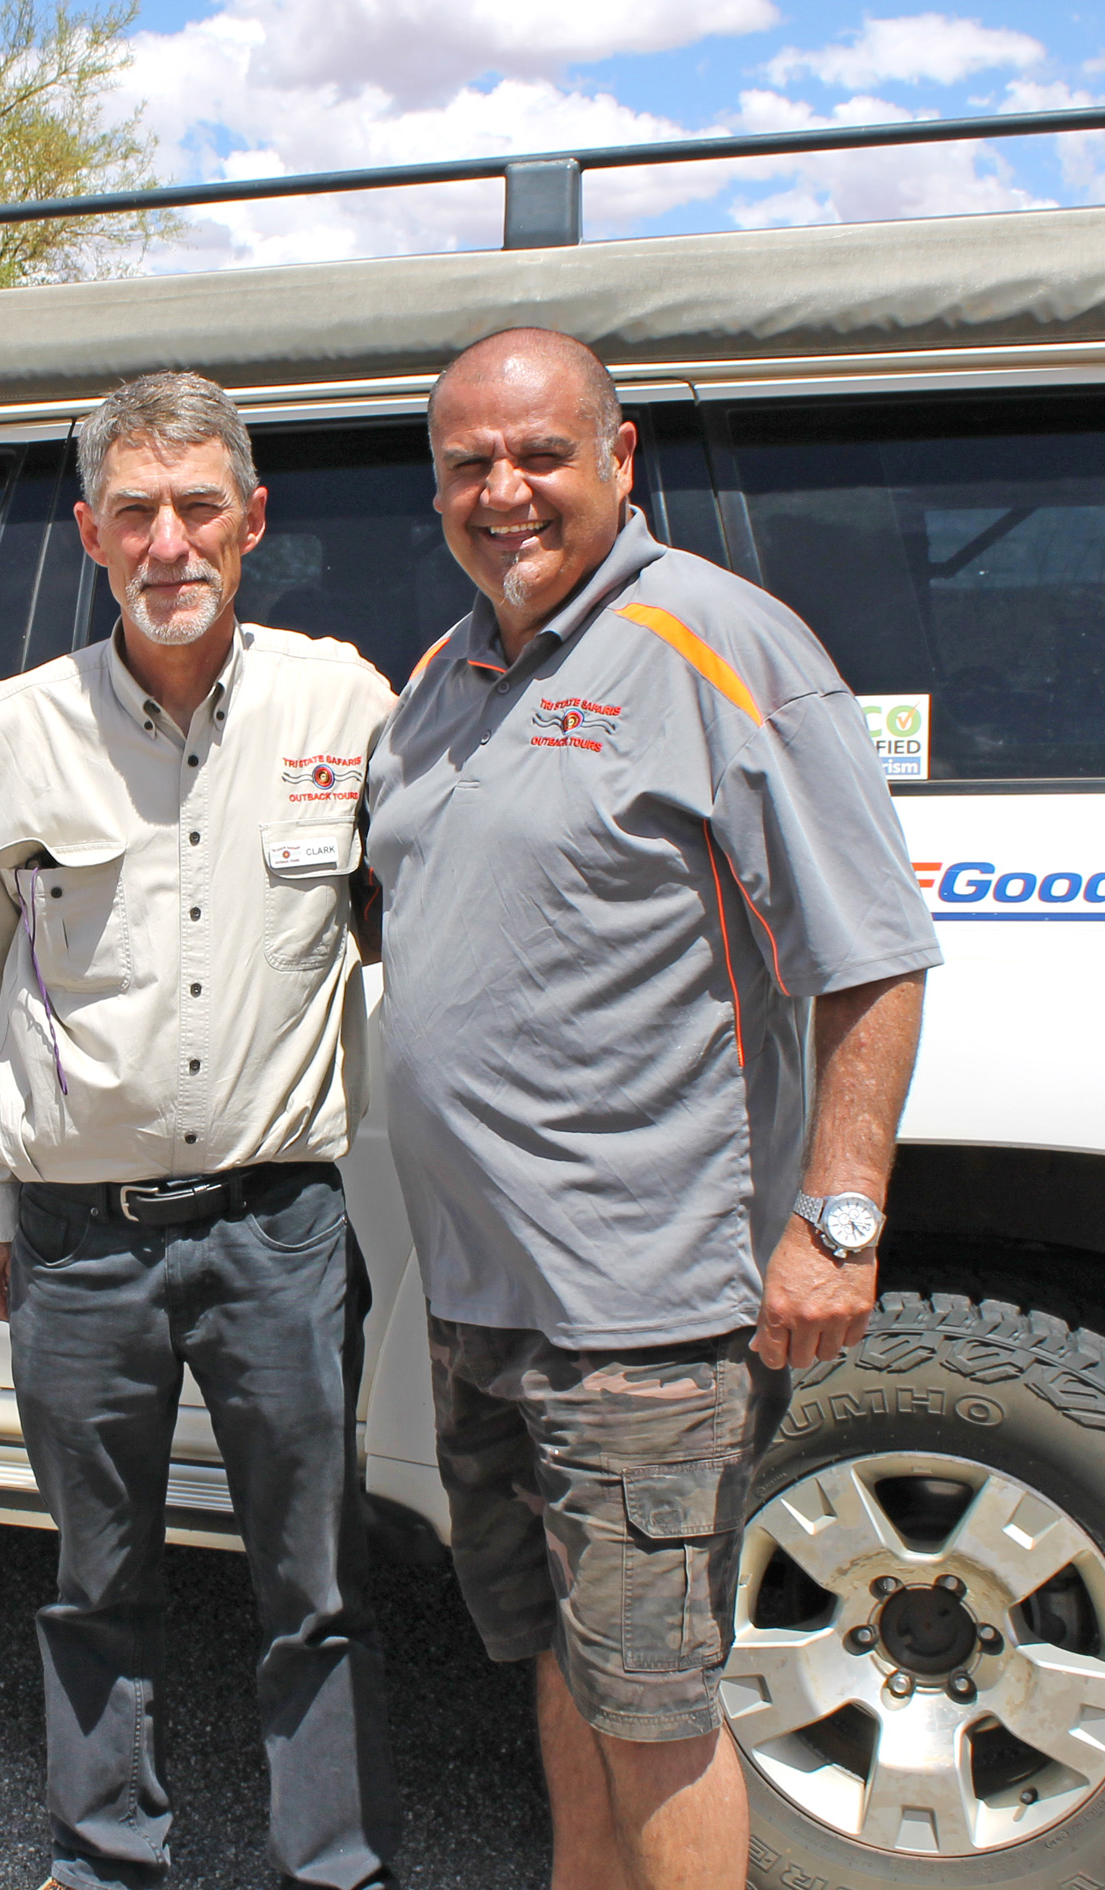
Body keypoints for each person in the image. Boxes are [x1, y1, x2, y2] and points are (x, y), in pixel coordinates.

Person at [361, 328, 940, 1890]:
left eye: (542, 454)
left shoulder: (717, 641)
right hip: (487, 1295)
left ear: (623, 460)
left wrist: (838, 1215)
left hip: (643, 1300)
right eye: (468, 462)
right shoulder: (445, 673)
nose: (505, 491)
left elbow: (871, 955)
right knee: (568, 1657)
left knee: (659, 1700)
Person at [0, 370, 401, 1890]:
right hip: (80, 1243)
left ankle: (332, 1864)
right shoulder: (22, 727)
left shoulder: (346, 702)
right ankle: (105, 1855)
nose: (168, 541)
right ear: (90, 529)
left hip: (281, 1230)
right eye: (134, 509)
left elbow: (429, 934)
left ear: (253, 519)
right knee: (95, 1581)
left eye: (200, 504)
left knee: (316, 1584)